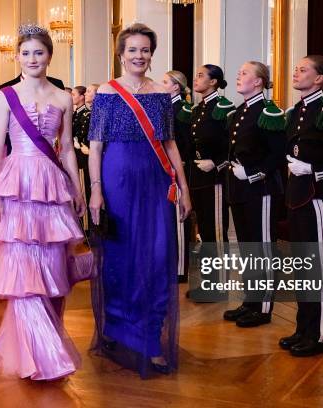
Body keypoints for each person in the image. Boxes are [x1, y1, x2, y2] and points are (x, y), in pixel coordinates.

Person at [0, 24, 85, 381]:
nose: (32, 58)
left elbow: (67, 148)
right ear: (17, 57)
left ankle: (46, 340)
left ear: (49, 55)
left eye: (39, 52)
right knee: (22, 269)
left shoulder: (63, 98)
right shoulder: (7, 96)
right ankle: (37, 355)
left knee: (53, 265)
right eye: (25, 53)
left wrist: (78, 190)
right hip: (17, 184)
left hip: (52, 186)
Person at [88, 23, 191, 377]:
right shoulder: (106, 92)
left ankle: (151, 338)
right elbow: (96, 148)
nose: (139, 56)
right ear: (121, 54)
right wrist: (96, 189)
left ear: (152, 53)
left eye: (145, 50)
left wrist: (185, 189)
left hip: (155, 183)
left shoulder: (161, 92)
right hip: (117, 183)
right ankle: (117, 330)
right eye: (133, 50)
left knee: (157, 258)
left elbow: (170, 144)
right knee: (120, 258)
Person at [278, 55, 323, 356]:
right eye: (295, 68)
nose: (296, 72)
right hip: (296, 198)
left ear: (320, 78)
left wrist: (314, 170)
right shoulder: (297, 111)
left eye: (303, 69)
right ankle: (303, 328)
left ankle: (320, 335)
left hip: (318, 198)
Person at [222, 61, 286, 327]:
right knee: (248, 247)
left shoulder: (268, 112)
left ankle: (263, 308)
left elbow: (277, 154)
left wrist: (252, 173)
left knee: (262, 248)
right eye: (239, 72)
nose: (239, 76)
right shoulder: (240, 112)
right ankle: (251, 301)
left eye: (245, 73)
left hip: (260, 189)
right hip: (239, 189)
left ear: (259, 81)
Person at [185, 64, 233, 302]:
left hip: (214, 178)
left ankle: (220, 285)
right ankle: (208, 282)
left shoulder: (224, 108)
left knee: (215, 233)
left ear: (214, 82)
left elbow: (232, 145)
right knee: (204, 232)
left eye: (201, 76)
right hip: (197, 177)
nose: (196, 79)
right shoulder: (199, 109)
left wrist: (217, 163)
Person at [162, 70, 192, 283]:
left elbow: (185, 142)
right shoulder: (166, 107)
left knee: (180, 219)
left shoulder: (181, 110)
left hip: (178, 167)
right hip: (165, 168)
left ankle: (180, 269)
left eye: (165, 82)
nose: (160, 84)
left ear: (175, 87)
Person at [72, 85, 91, 229]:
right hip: (75, 154)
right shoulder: (77, 113)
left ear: (81, 97)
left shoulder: (86, 113)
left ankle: (86, 226)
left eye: (74, 94)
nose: (71, 97)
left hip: (83, 156)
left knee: (83, 189)